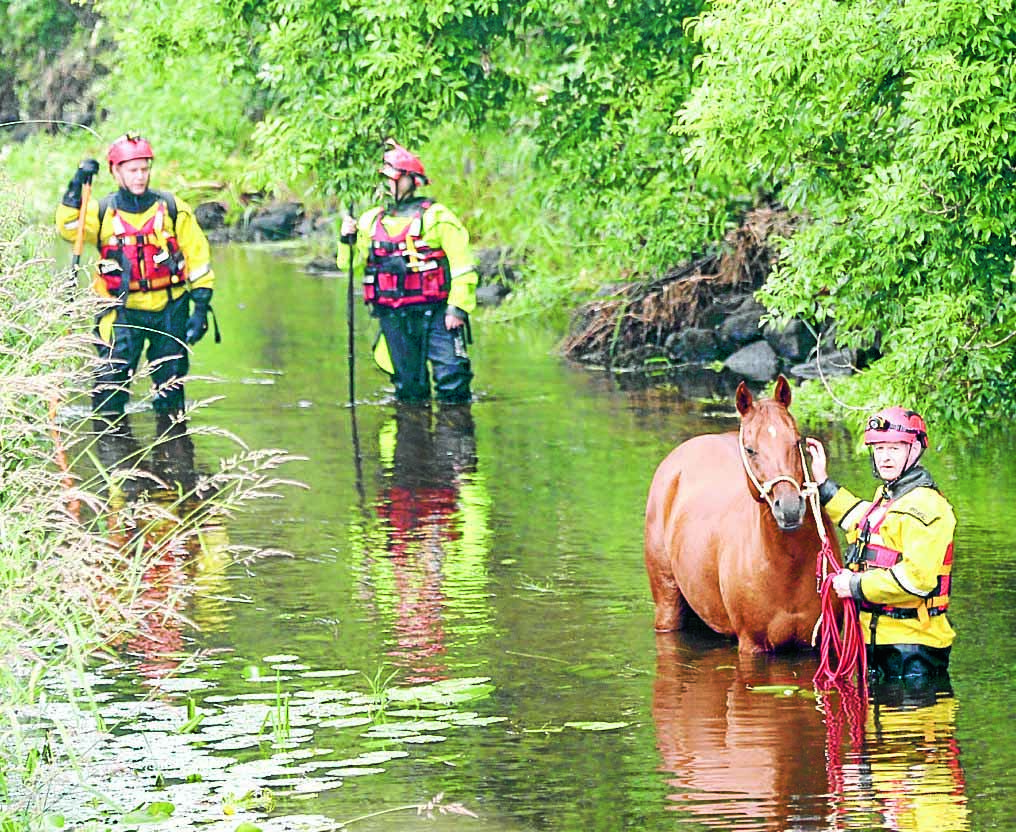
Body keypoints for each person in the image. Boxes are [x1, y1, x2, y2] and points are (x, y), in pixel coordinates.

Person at [55, 132, 217, 418]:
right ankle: (113, 452)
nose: (140, 176)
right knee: (109, 392)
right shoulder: (102, 212)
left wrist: (201, 308)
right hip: (119, 312)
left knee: (171, 390)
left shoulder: (172, 208)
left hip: (170, 308)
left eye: (145, 169)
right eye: (133, 170)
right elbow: (68, 226)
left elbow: (198, 258)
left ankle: (173, 453)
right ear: (116, 171)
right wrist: (77, 183)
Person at [806, 407, 956, 680]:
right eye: (879, 448)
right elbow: (860, 520)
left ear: (915, 451)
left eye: (895, 449)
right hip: (875, 641)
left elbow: (916, 580)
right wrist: (823, 483)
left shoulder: (926, 505)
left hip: (913, 649)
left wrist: (853, 586)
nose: (885, 457)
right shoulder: (889, 498)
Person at [338, 139, 477, 405]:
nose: (386, 186)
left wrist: (457, 308)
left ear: (410, 181)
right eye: (384, 180)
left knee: (452, 382)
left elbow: (463, 267)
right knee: (408, 387)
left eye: (391, 179)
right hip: (393, 314)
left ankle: (456, 440)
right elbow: (349, 264)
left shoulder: (437, 217)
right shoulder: (370, 221)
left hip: (437, 313)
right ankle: (412, 441)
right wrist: (347, 240)